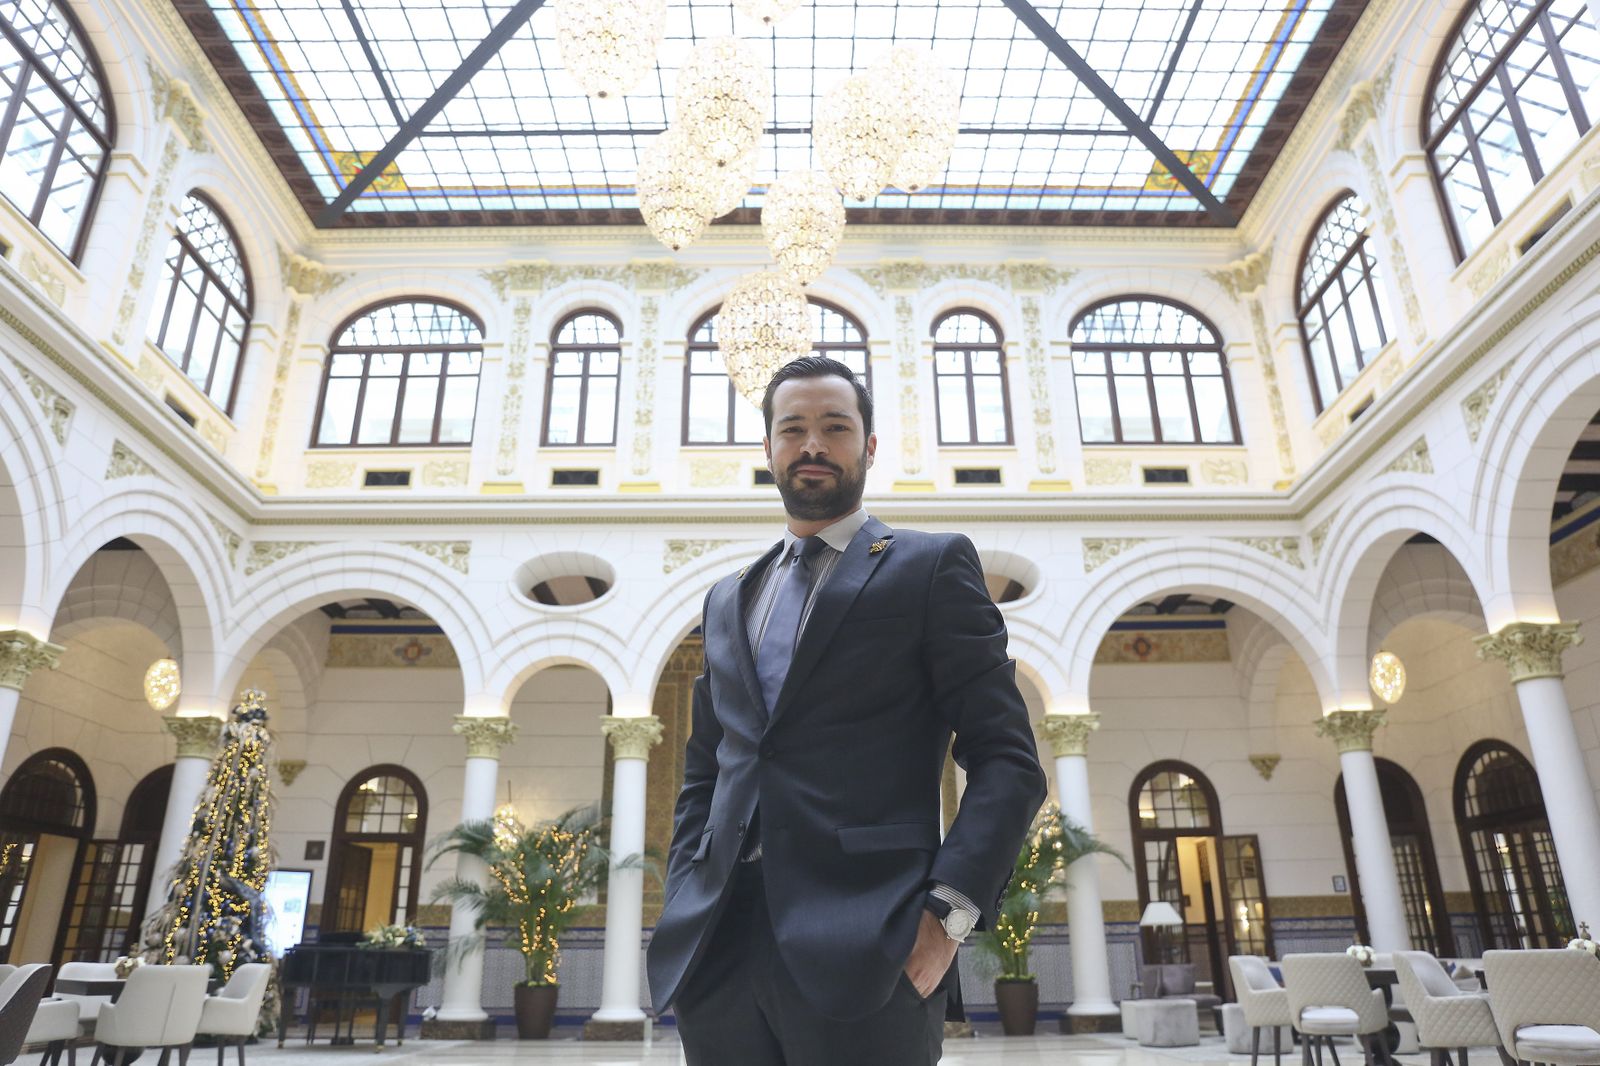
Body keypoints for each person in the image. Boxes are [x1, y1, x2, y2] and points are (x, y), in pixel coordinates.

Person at [646, 355, 1047, 1064]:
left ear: (869, 446)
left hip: (873, 946)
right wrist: (686, 897)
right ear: (768, 449)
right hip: (719, 953)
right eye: (792, 428)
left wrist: (944, 922)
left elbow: (1007, 761)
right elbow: (706, 769)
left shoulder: (929, 566)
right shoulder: (727, 598)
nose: (812, 445)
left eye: (835, 426)